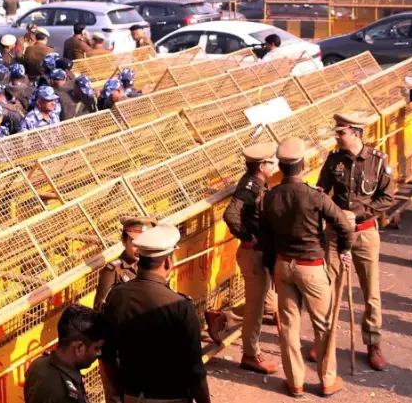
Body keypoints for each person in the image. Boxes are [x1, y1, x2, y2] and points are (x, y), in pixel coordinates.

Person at [258, 137, 353, 398]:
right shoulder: (315, 196)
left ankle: (295, 382)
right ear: (302, 165)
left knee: (289, 327)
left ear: (282, 167)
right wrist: (344, 249)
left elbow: (265, 238)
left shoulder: (270, 197)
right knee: (323, 325)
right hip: (311, 266)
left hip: (282, 265)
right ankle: (327, 380)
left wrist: (272, 267)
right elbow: (344, 226)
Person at [316, 113, 394, 371]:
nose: (337, 137)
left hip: (365, 233)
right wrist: (334, 215)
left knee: (370, 290)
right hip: (335, 234)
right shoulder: (333, 160)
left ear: (356, 134)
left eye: (342, 133)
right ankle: (325, 340)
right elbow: (321, 193)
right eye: (336, 132)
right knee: (329, 287)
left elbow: (387, 199)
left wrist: (357, 214)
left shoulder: (378, 161)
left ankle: (373, 342)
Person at [99, 225, 210, 403]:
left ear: (140, 260)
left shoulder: (116, 296)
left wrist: (116, 396)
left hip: (131, 396)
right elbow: (195, 370)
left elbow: (107, 355)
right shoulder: (181, 305)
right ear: (168, 262)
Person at [222, 142, 280, 375]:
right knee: (258, 307)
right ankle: (250, 354)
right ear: (262, 166)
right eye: (272, 161)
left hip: (258, 253)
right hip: (253, 253)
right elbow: (231, 214)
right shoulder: (250, 187)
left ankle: (222, 318)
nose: (275, 164)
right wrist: (248, 236)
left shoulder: (256, 182)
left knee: (267, 303)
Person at [23, 305, 103, 403]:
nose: (99, 353)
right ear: (79, 348)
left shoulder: (37, 365)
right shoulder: (67, 397)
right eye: (96, 348)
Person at [92, 217, 156, 310]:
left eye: (142, 243)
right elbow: (99, 308)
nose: (139, 248)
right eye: (134, 243)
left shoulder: (151, 266)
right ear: (123, 240)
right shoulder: (113, 271)